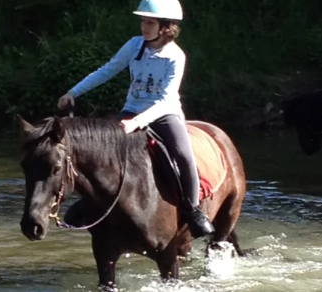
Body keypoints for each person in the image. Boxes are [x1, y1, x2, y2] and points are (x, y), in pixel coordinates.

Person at [57, 0, 215, 239]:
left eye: (150, 22)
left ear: (165, 26)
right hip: (131, 111)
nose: (144, 26)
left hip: (163, 114)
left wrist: (137, 122)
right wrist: (73, 92)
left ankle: (192, 211)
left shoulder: (175, 56)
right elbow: (107, 70)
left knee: (184, 157)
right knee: (99, 153)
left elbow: (165, 99)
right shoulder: (134, 45)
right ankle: (90, 203)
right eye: (143, 21)